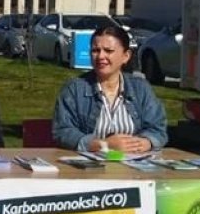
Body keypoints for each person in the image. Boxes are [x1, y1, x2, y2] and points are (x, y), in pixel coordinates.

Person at [53, 24, 168, 153]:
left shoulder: (140, 88)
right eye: (95, 50)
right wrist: (103, 145)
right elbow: (62, 132)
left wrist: (146, 142)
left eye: (108, 51)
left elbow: (158, 129)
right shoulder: (74, 89)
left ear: (126, 56)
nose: (101, 56)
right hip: (89, 167)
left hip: (133, 164)